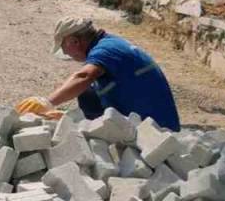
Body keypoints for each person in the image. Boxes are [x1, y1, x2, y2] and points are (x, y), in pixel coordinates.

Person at [17, 17, 180, 130]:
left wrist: (47, 102)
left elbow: (84, 77)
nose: (67, 55)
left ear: (75, 41)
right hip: (139, 114)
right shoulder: (109, 43)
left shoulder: (107, 49)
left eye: (65, 49)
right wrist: (69, 118)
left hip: (157, 129)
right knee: (88, 94)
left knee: (86, 87)